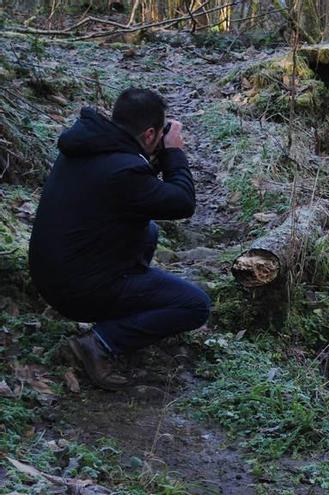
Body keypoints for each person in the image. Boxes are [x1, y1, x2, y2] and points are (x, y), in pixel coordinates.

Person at [28, 88, 211, 390]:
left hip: (54, 276)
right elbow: (182, 202)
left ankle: (128, 303)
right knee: (194, 305)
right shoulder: (124, 171)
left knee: (148, 230)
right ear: (151, 133)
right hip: (77, 290)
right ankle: (100, 343)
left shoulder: (88, 147)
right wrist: (175, 153)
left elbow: (131, 194)